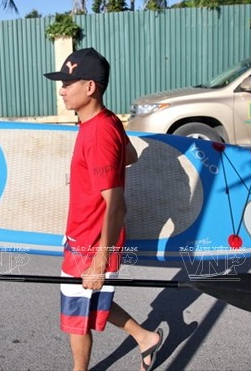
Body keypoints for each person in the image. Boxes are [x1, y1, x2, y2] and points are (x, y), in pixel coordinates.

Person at [44, 48, 164, 371]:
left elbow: (117, 205)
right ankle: (145, 337)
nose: (62, 90)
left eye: (69, 83)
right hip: (84, 234)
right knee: (91, 300)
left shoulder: (97, 134)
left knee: (75, 318)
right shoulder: (107, 120)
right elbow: (131, 156)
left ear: (90, 87)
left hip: (90, 242)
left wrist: (99, 261)